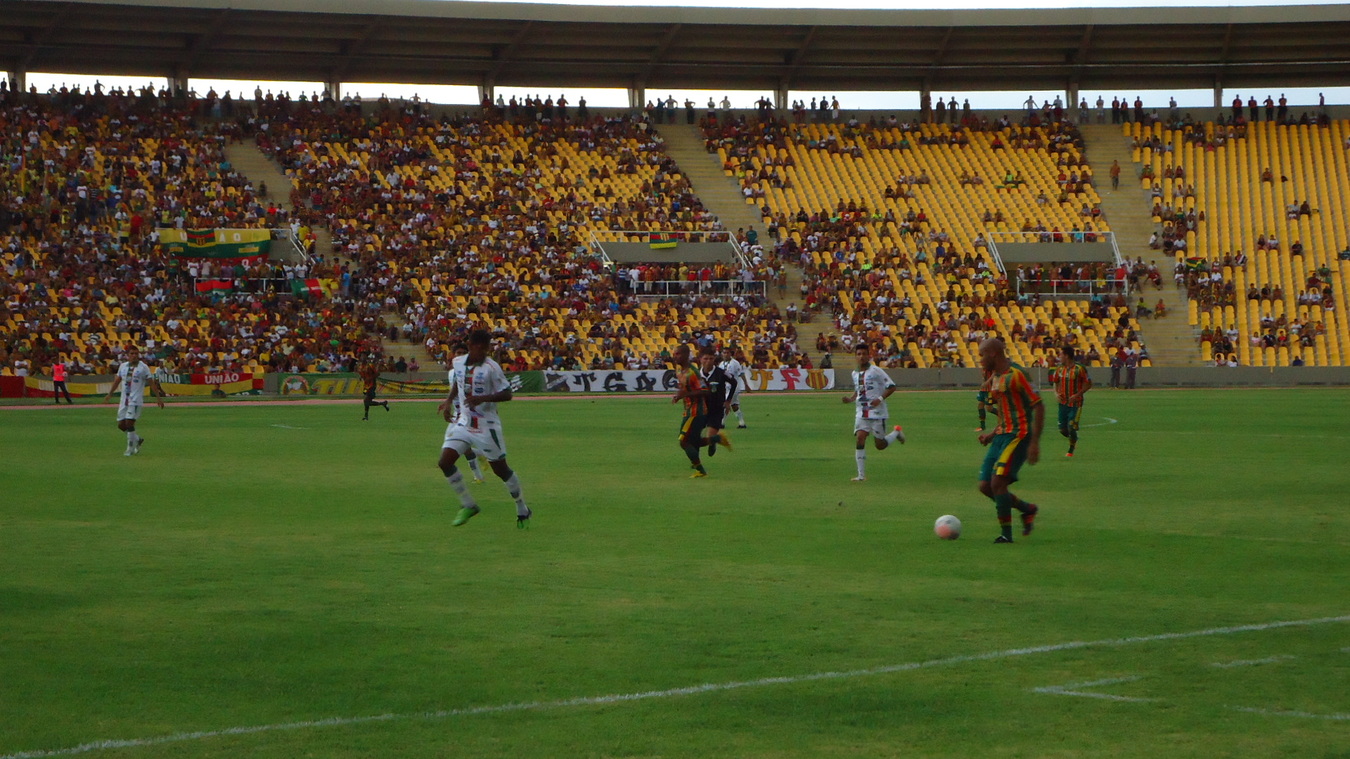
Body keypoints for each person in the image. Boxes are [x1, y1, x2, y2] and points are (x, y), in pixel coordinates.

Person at [439, 330, 531, 527]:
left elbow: (507, 394)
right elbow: (458, 382)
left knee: (501, 471)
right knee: (445, 462)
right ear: (471, 345)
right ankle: (468, 505)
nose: (483, 352)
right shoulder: (457, 363)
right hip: (464, 422)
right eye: (479, 347)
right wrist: (448, 401)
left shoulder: (492, 367)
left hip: (486, 427)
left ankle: (521, 506)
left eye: (485, 348)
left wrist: (483, 398)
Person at [976, 338, 1042, 543]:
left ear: (993, 353)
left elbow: (1038, 406)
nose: (980, 360)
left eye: (982, 355)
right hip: (1001, 436)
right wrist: (991, 435)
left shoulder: (1018, 374)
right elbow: (1006, 413)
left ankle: (1006, 534)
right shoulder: (996, 378)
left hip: (1019, 436)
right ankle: (1027, 509)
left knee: (998, 483)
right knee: (985, 486)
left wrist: (1034, 442)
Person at [841, 344, 905, 482]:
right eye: (858, 354)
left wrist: (880, 399)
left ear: (868, 356)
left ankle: (896, 432)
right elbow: (859, 390)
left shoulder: (876, 371)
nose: (861, 356)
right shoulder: (854, 373)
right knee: (860, 438)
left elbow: (892, 386)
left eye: (864, 354)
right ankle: (861, 475)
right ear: (855, 356)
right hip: (861, 412)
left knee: (880, 445)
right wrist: (850, 399)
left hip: (877, 412)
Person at [103, 346, 165, 456]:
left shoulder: (143, 367)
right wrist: (110, 393)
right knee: (121, 425)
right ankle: (137, 439)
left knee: (129, 423)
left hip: (135, 400)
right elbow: (117, 380)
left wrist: (158, 398)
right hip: (124, 400)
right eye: (132, 353)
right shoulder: (123, 366)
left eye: (136, 353)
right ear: (128, 355)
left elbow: (151, 382)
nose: (134, 355)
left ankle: (130, 448)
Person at [671, 344, 710, 478]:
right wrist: (678, 395)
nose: (675, 356)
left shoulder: (693, 372)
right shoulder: (680, 371)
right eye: (675, 354)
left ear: (686, 355)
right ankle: (716, 439)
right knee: (693, 441)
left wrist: (684, 395)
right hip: (688, 410)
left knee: (683, 441)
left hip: (696, 411)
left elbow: (704, 390)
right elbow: (684, 387)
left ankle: (700, 469)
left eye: (678, 354)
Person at [1049, 346, 1092, 457]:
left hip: (1076, 404)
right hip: (1063, 404)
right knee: (1062, 430)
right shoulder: (1059, 369)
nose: (1059, 357)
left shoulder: (1079, 369)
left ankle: (1071, 449)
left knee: (1071, 426)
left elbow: (1088, 384)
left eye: (1061, 355)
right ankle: (1074, 438)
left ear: (1067, 355)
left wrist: (1077, 395)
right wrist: (1056, 393)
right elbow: (1055, 382)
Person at [697, 348, 734, 457]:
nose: (708, 361)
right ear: (700, 360)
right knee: (694, 436)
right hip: (701, 408)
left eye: (711, 358)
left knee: (710, 435)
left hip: (716, 409)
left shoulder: (720, 373)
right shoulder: (696, 374)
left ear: (714, 360)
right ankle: (697, 457)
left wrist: (728, 401)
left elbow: (734, 382)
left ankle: (713, 442)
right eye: (705, 358)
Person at [720, 347, 749, 428]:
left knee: (725, 404)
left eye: (727, 353)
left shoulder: (735, 363)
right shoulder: (721, 364)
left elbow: (741, 374)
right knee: (734, 405)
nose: (725, 354)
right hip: (725, 388)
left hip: (733, 387)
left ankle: (721, 423)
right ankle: (742, 423)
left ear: (730, 354)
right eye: (724, 353)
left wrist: (746, 384)